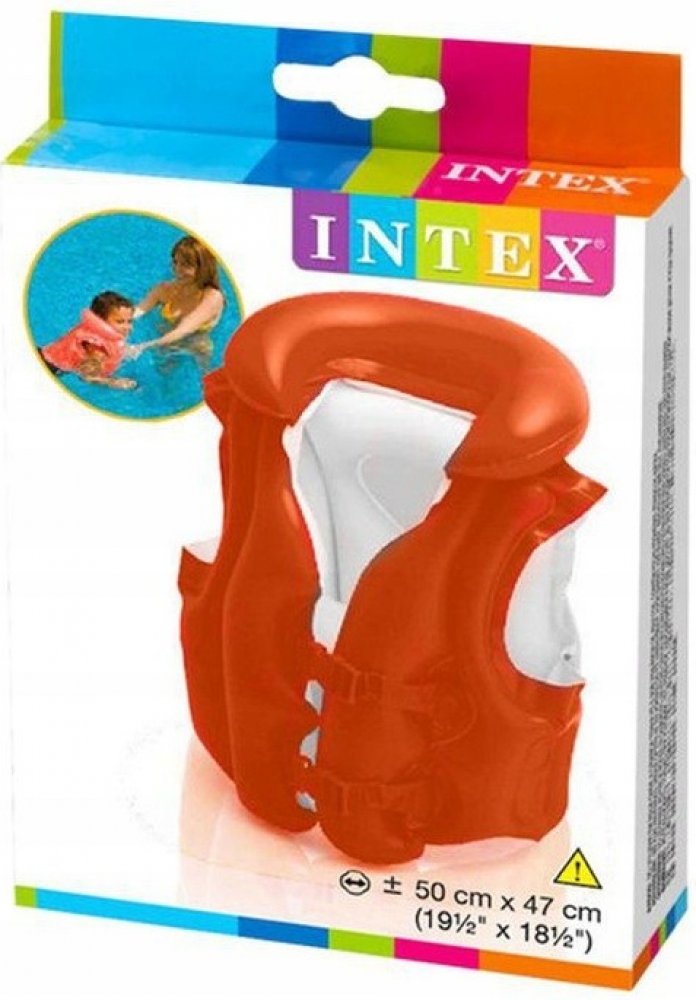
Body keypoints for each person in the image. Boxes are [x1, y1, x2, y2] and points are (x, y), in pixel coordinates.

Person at [133, 236, 224, 367]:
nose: (177, 269)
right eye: (175, 262)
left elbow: (183, 330)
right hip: (164, 346)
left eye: (186, 265)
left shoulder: (212, 297)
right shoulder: (164, 289)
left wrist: (141, 347)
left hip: (195, 351)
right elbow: (136, 312)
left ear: (203, 268)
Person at [40, 291, 137, 390]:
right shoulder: (97, 347)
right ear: (101, 321)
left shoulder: (95, 331)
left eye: (129, 321)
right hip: (48, 367)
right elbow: (87, 376)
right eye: (120, 322)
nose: (127, 327)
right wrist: (113, 382)